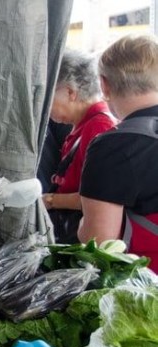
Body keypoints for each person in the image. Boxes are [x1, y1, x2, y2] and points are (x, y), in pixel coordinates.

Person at [79, 34, 158, 271]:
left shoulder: (113, 147)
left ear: (104, 85)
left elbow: (99, 241)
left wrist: (82, 226)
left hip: (148, 288)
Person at [42, 50, 117, 244]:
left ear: (70, 92)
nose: (45, 107)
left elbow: (99, 196)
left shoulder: (99, 126)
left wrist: (50, 200)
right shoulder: (83, 125)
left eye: (48, 96)